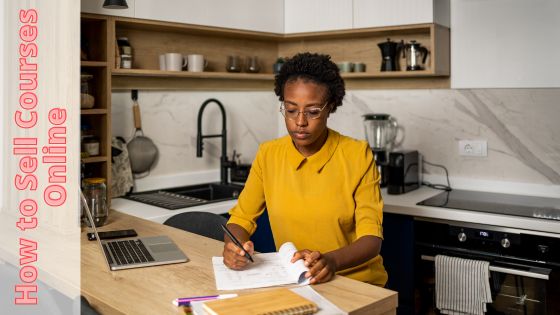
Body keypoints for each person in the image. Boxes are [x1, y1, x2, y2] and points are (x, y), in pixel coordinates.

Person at [222, 52, 387, 286]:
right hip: (299, 281)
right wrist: (234, 247)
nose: (300, 122)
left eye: (312, 112)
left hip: (355, 282)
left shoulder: (357, 154)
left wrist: (331, 261)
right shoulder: (269, 154)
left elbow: (372, 239)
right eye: (290, 110)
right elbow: (240, 219)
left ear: (330, 108)